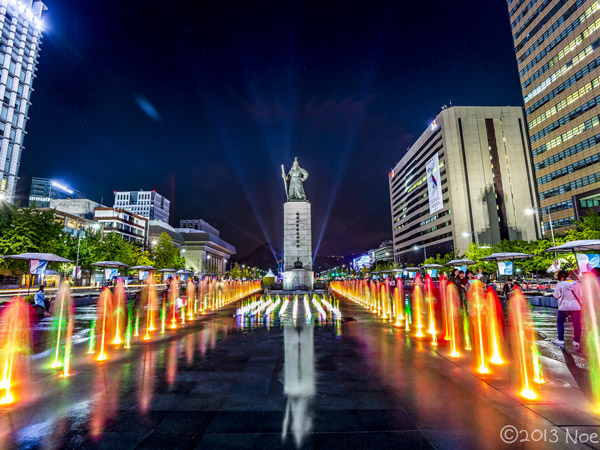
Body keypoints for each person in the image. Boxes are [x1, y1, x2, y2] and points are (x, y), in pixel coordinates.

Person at [552, 270, 582, 352]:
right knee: (577, 324)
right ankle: (576, 341)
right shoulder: (577, 284)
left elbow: (556, 295)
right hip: (576, 306)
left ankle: (560, 339)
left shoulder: (559, 284)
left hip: (564, 307)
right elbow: (581, 295)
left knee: (560, 322)